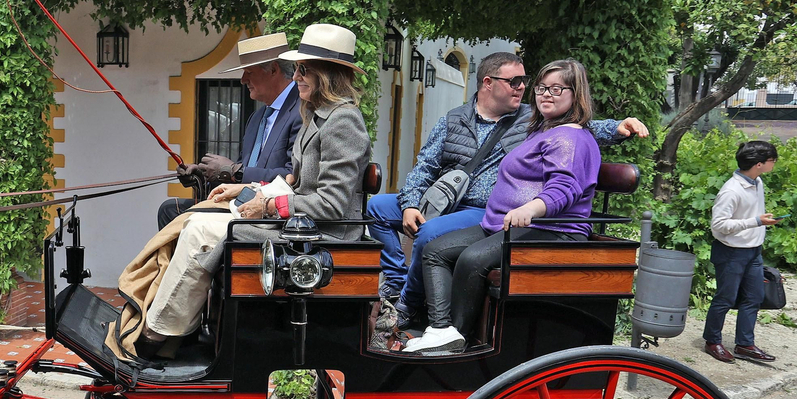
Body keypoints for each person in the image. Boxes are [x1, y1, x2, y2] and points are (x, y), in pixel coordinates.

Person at [366, 51, 649, 334]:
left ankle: (408, 306)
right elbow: (424, 166)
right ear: (489, 83)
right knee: (378, 207)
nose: (523, 88)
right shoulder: (454, 120)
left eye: (526, 82)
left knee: (429, 234)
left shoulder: (529, 120)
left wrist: (618, 128)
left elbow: (575, 131)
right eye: (515, 82)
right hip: (447, 199)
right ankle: (396, 277)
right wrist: (411, 204)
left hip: (485, 208)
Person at [135, 23, 370, 354]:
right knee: (193, 220)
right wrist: (242, 191)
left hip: (323, 235)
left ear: (327, 74)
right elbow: (295, 181)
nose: (296, 76)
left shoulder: (344, 121)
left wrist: (269, 207)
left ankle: (160, 335)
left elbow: (332, 204)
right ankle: (172, 327)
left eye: (304, 70)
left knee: (204, 230)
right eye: (297, 69)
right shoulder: (317, 115)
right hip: (301, 225)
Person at [405, 59, 602, 354]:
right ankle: (441, 329)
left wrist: (532, 208)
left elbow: (565, 188)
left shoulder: (570, 137)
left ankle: (458, 336)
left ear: (576, 94)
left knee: (472, 260)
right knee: (435, 251)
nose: (546, 94)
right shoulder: (542, 130)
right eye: (542, 88)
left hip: (551, 230)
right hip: (504, 225)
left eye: (557, 89)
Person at [157, 33, 303, 229]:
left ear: (273, 70)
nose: (243, 80)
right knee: (169, 210)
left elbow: (292, 177)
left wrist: (235, 171)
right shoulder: (257, 118)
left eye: (248, 72)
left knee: (183, 219)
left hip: (268, 212)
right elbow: (243, 173)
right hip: (242, 200)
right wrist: (204, 175)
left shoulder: (302, 111)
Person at [703, 139, 780, 363]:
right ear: (758, 164)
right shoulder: (731, 191)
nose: (773, 164)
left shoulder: (758, 182)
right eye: (771, 161)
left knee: (754, 297)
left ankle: (745, 344)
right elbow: (718, 225)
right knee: (725, 298)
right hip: (730, 252)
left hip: (753, 250)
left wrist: (760, 223)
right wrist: (755, 221)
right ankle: (712, 341)